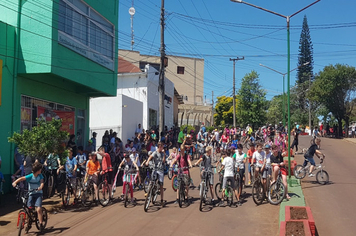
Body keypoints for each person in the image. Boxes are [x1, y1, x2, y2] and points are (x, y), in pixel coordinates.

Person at [12, 162, 45, 230]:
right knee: (28, 209)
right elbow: (21, 178)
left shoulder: (40, 176)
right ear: (38, 170)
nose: (41, 170)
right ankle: (28, 223)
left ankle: (41, 223)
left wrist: (40, 187)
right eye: (40, 169)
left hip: (38, 193)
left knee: (38, 209)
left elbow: (42, 183)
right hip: (31, 193)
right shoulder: (30, 176)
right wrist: (15, 182)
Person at [145, 142, 166, 207]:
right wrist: (147, 162)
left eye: (162, 147)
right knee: (152, 181)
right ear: (159, 147)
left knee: (161, 185)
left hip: (161, 170)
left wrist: (164, 154)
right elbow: (150, 157)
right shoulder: (155, 152)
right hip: (155, 169)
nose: (161, 148)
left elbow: (163, 161)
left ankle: (162, 200)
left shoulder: (162, 154)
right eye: (161, 146)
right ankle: (149, 191)